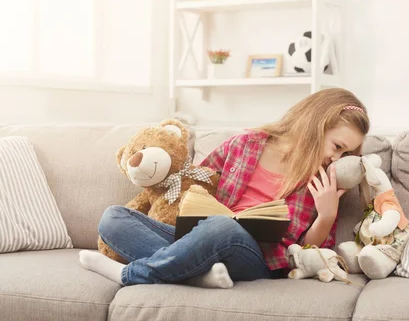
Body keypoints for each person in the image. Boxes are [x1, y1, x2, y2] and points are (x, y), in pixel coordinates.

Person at [79, 88, 370, 287]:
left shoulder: (323, 180)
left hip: (255, 259)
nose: (336, 158)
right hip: (201, 238)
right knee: (114, 218)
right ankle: (198, 275)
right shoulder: (245, 144)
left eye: (345, 154)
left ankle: (133, 275)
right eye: (337, 146)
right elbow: (196, 179)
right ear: (316, 124)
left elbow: (311, 255)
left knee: (224, 228)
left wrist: (326, 216)